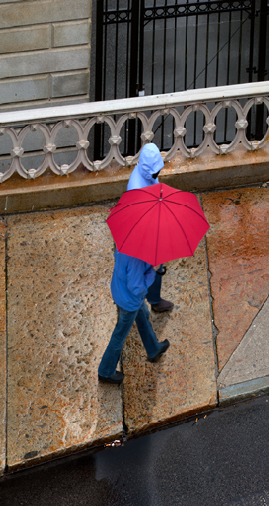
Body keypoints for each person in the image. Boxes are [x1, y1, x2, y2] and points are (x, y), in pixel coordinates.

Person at [97, 248, 171, 384]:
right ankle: (105, 371)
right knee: (119, 335)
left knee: (143, 315)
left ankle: (153, 349)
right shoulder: (137, 258)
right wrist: (152, 271)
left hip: (120, 290)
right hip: (129, 300)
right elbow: (136, 287)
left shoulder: (126, 245)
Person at [126, 142, 174, 313]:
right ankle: (145, 303)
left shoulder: (145, 173)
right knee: (148, 271)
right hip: (145, 236)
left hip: (151, 228)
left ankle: (152, 300)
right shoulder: (137, 190)